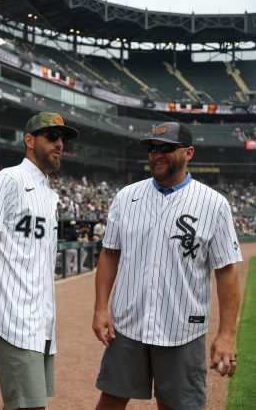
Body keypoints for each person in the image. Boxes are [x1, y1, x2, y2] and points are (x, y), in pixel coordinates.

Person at [92, 122, 242, 410]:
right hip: (128, 324)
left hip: (182, 328)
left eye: (166, 148)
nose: (157, 154)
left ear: (188, 153)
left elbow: (226, 270)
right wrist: (100, 308)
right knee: (110, 399)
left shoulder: (214, 204)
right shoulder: (126, 197)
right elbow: (110, 253)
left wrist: (226, 333)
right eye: (153, 148)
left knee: (177, 406)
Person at [0, 112, 79, 410]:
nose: (59, 144)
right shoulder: (7, 180)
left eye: (62, 139)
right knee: (30, 406)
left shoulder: (49, 194)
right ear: (29, 140)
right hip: (12, 318)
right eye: (52, 137)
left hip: (40, 318)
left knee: (24, 405)